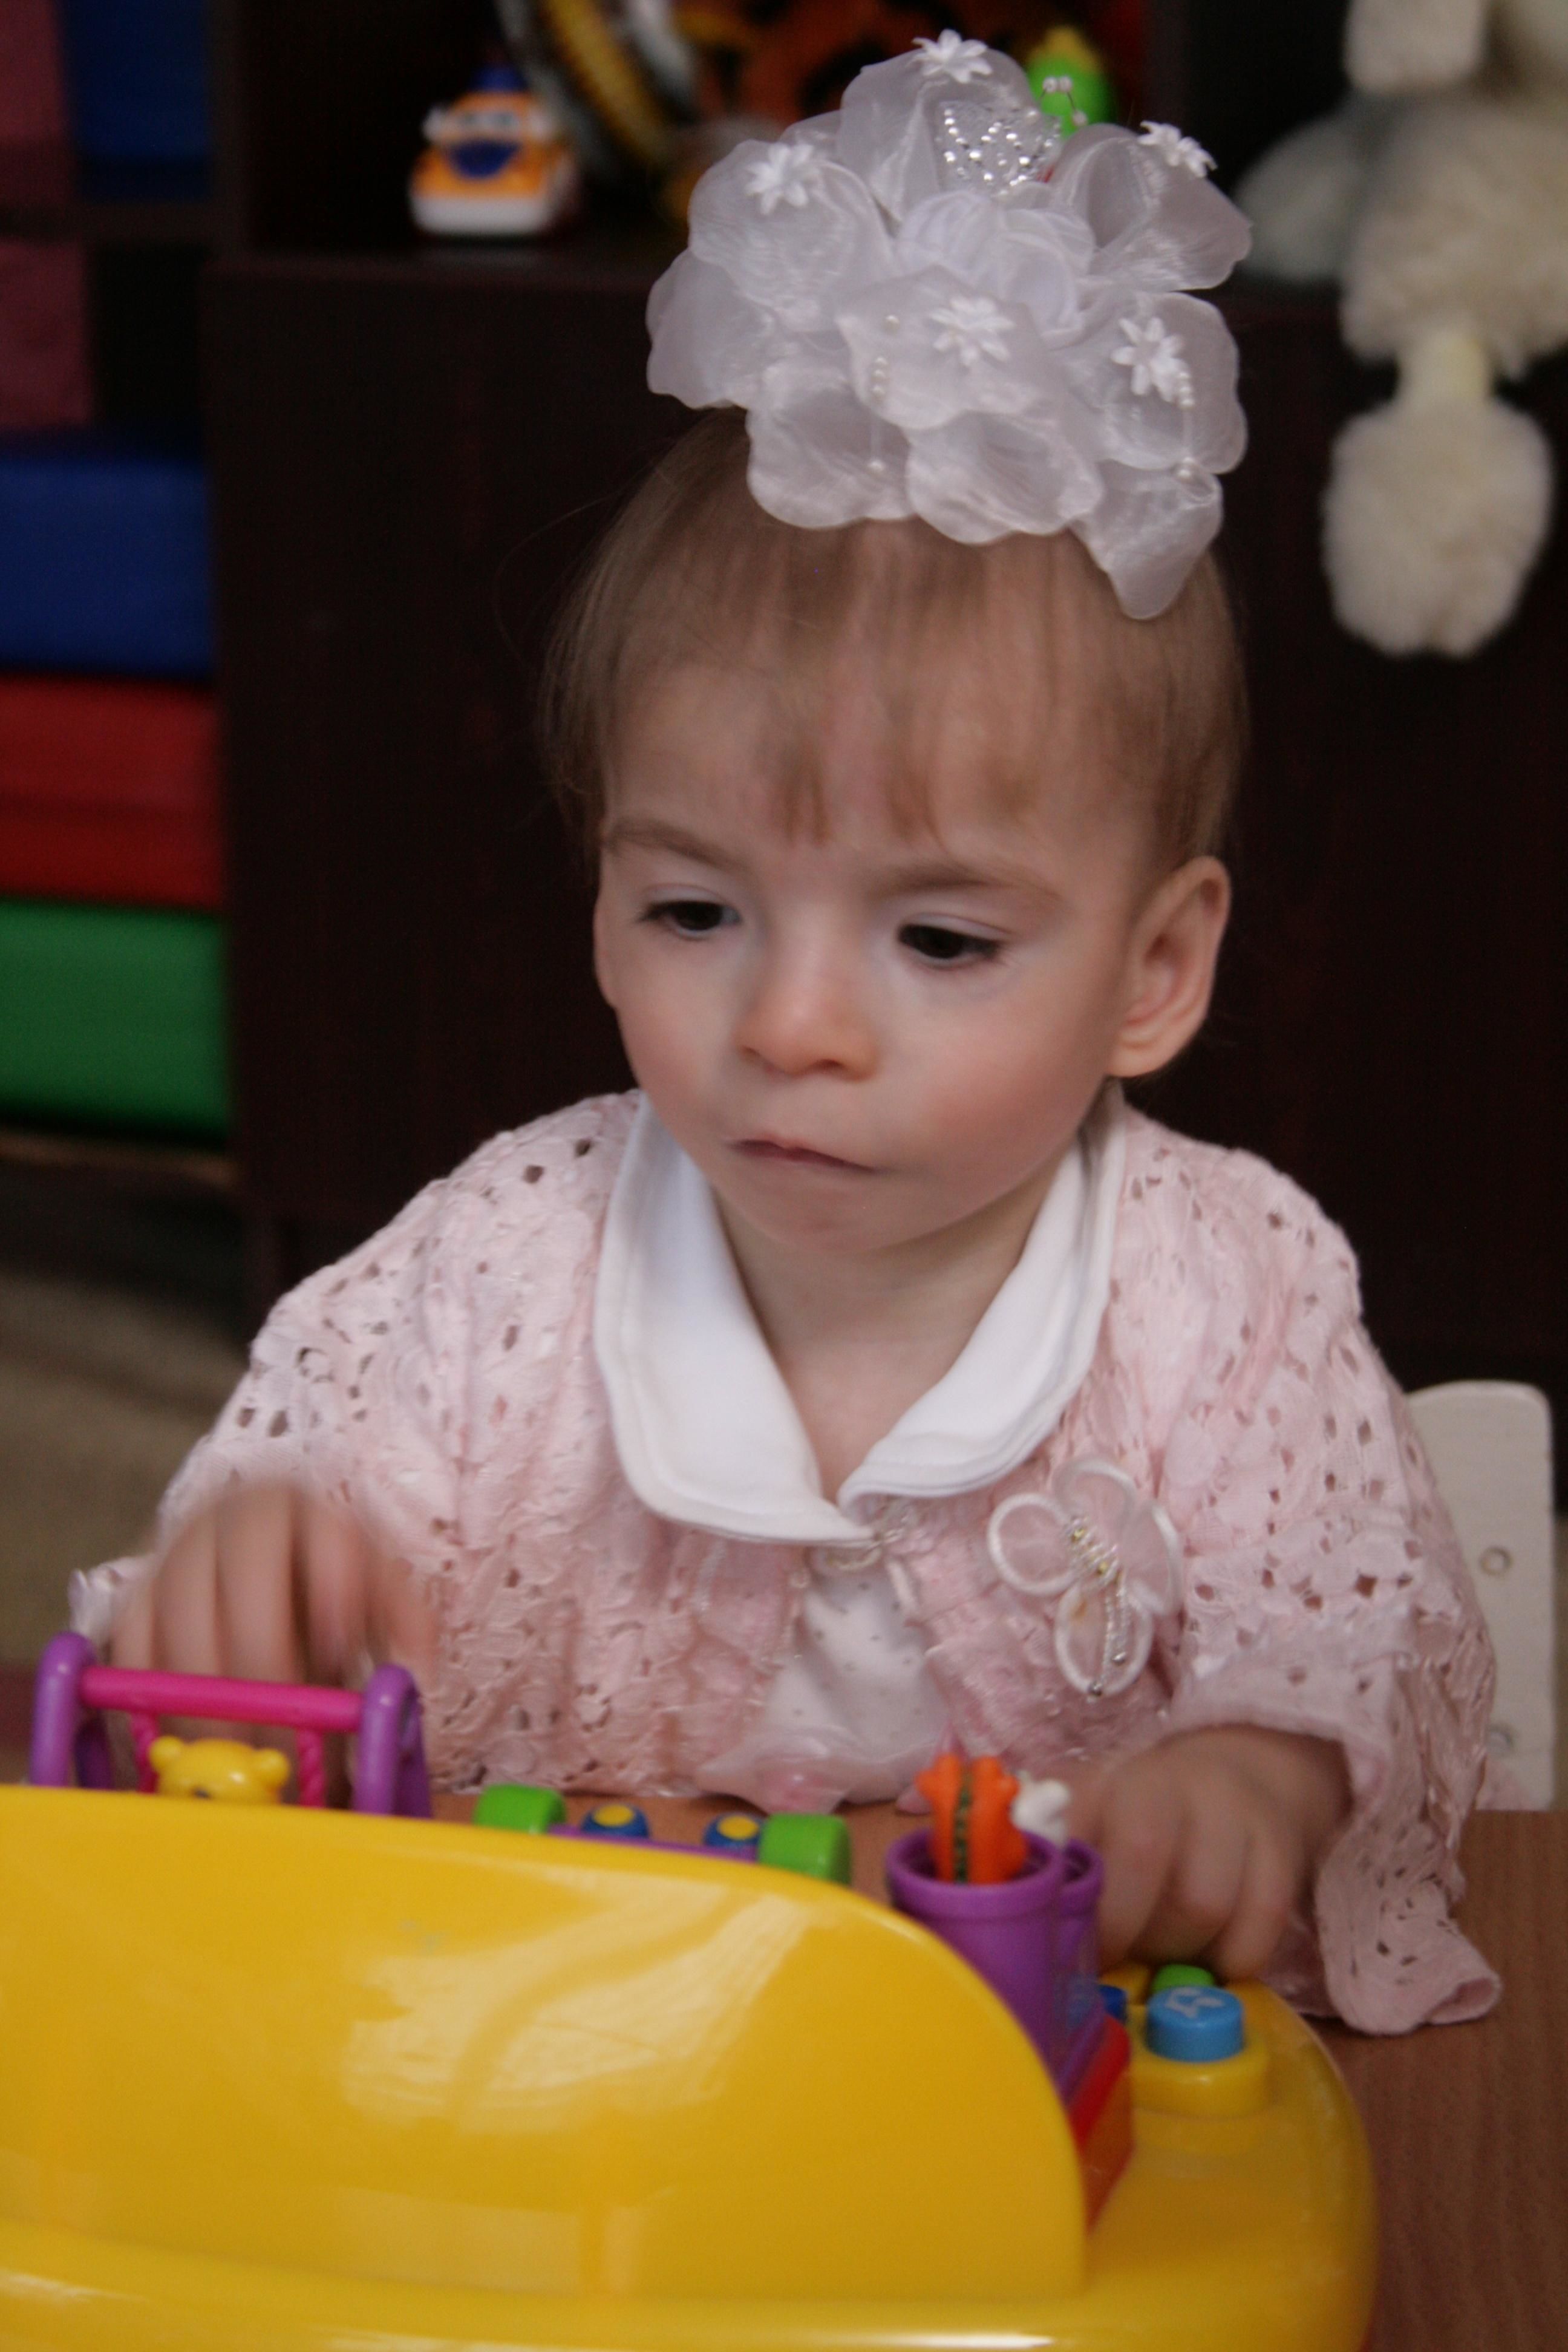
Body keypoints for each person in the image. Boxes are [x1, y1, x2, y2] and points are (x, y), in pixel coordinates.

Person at [71, 41, 1497, 2032]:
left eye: (939, 936)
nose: (793, 1024)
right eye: (695, 911)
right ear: (600, 894)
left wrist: (1259, 1777)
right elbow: (319, 1491)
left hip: (1045, 2055)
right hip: (583, 2038)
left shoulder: (1231, 1292)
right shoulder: (506, 1257)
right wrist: (267, 1567)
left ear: (1156, 971)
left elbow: (1350, 1622)